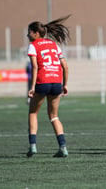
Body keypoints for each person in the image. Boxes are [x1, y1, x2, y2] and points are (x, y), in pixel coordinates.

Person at [26, 15, 70, 158]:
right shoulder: (54, 44)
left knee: (33, 113)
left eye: (29, 32)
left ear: (36, 33)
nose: (28, 35)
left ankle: (33, 146)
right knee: (54, 116)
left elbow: (35, 66)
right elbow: (65, 66)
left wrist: (32, 87)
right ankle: (63, 147)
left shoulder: (33, 45)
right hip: (57, 82)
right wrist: (65, 85)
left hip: (43, 82)